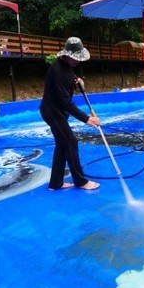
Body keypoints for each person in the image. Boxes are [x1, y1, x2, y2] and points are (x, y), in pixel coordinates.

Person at [40, 37, 101, 190]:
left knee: (62, 145)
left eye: (78, 58)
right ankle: (80, 181)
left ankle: (55, 183)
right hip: (53, 113)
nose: (77, 61)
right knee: (71, 142)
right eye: (74, 58)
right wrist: (86, 119)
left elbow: (69, 77)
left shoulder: (67, 65)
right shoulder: (56, 70)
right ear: (66, 55)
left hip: (59, 112)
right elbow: (65, 102)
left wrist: (76, 80)